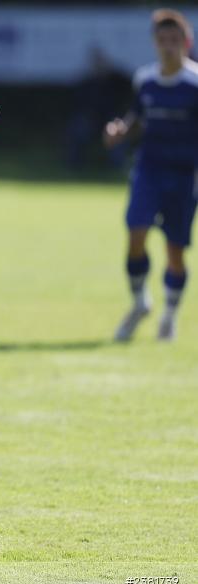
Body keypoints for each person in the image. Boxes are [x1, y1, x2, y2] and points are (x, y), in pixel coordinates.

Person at [105, 9, 198, 342]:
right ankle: (140, 302)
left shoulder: (194, 83)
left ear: (186, 42)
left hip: (185, 176)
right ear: (155, 43)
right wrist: (120, 130)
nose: (169, 46)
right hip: (149, 170)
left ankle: (169, 316)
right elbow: (137, 116)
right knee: (136, 234)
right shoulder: (145, 79)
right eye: (163, 40)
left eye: (175, 40)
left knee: (175, 251)